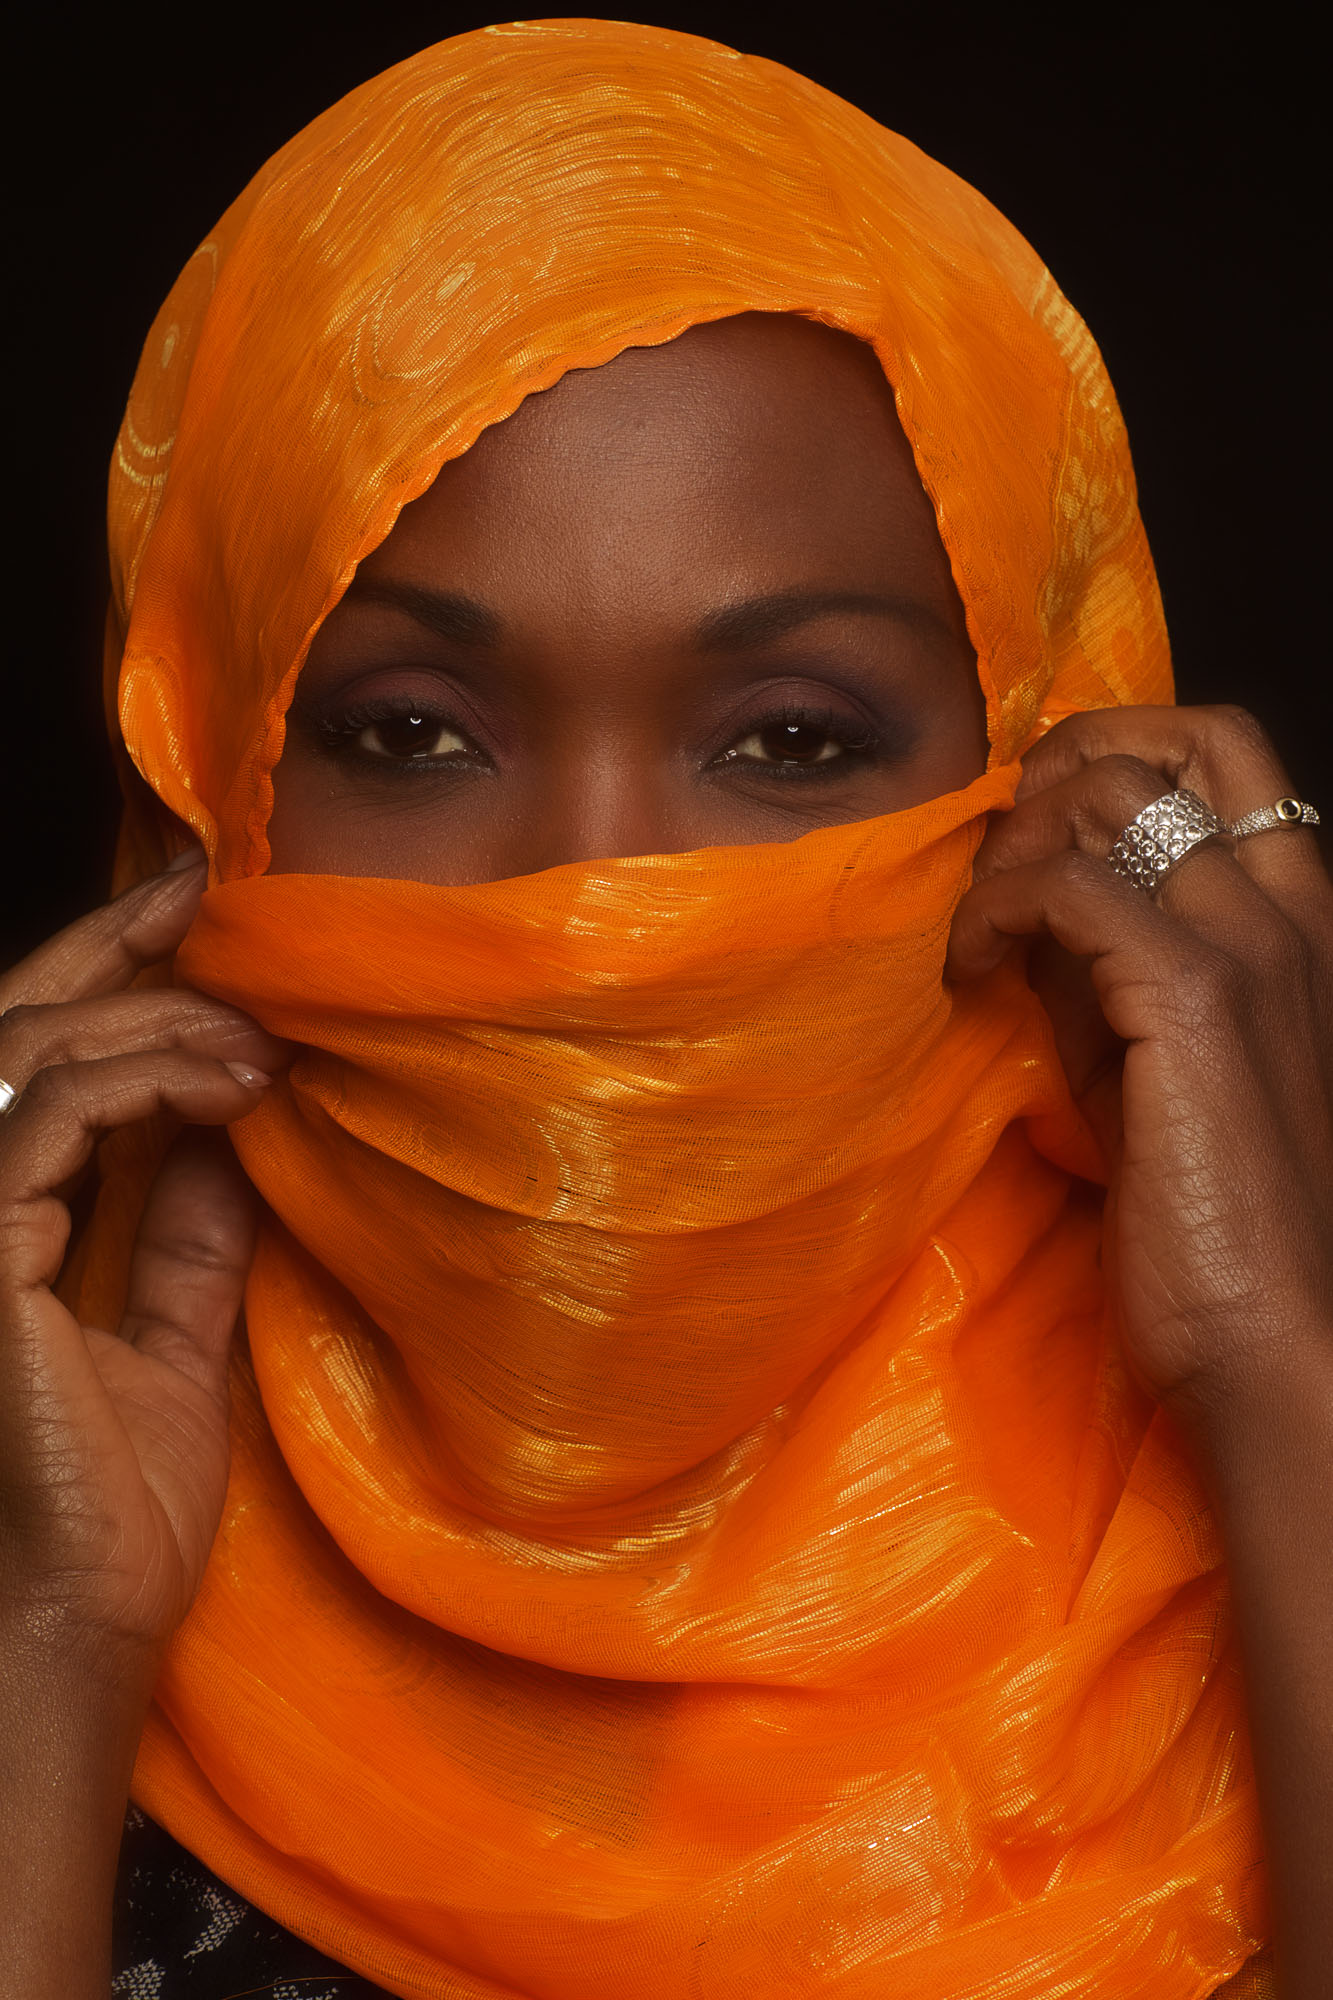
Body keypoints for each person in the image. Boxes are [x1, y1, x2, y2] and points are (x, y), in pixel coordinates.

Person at [1, 20, 1328, 2000]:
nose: (593, 897)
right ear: (205, 784)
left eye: (788, 739)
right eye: (409, 733)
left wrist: (1284, 1376)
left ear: (1047, 766)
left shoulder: (1270, 1436)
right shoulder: (63, 1472)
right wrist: (47, 1643)